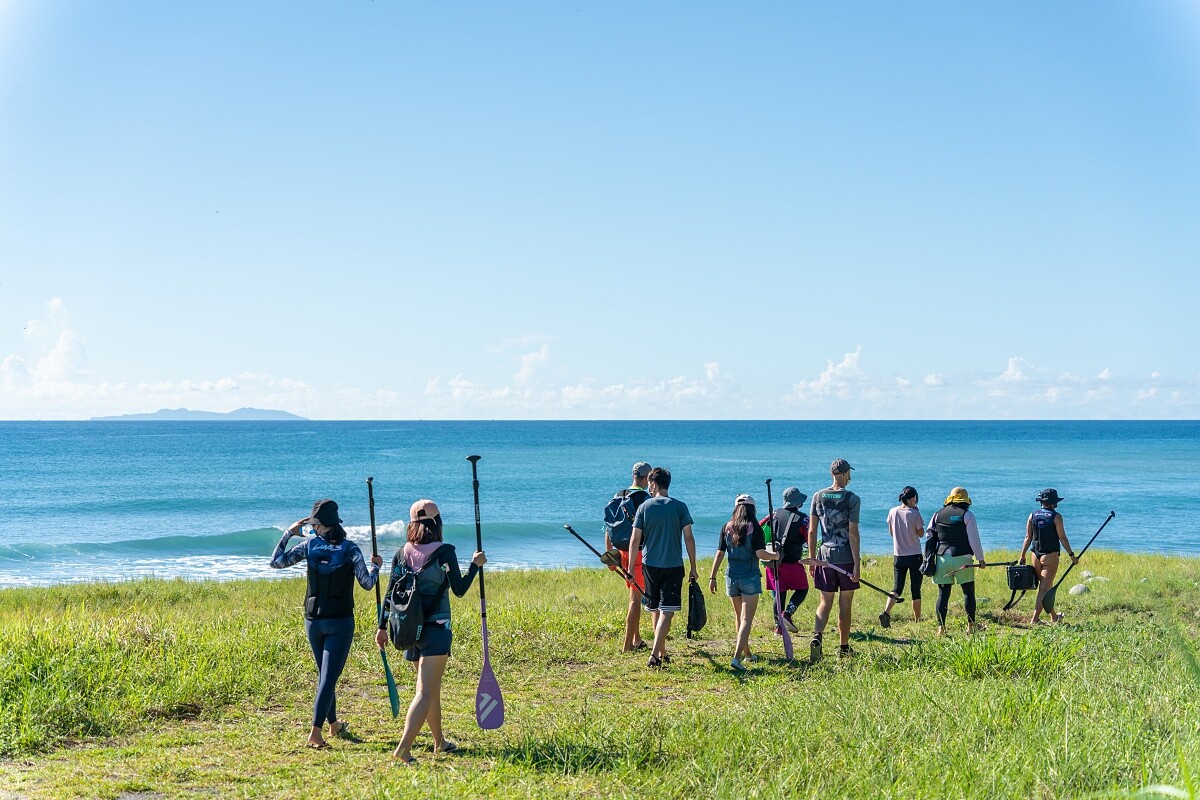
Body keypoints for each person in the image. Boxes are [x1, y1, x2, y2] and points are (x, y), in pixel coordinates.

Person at [375, 499, 486, 765]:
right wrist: (475, 565)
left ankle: (439, 743)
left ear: (412, 524)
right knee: (425, 692)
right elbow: (458, 589)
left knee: (430, 690)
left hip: (408, 630)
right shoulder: (445, 551)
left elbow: (390, 592)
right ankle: (403, 749)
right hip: (436, 630)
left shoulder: (402, 552)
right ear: (437, 523)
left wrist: (381, 627)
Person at [270, 499, 382, 749]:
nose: (311, 530)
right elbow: (367, 583)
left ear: (321, 526)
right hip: (340, 622)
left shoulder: (308, 546)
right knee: (328, 678)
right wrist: (376, 567)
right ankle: (315, 732)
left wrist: (289, 532)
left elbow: (275, 562)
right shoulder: (350, 549)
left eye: (312, 525)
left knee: (325, 675)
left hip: (313, 621)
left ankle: (333, 724)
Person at [628, 467, 698, 668]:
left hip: (650, 565)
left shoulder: (644, 507)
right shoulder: (680, 507)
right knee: (666, 610)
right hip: (673, 565)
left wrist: (632, 567)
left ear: (654, 484)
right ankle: (655, 653)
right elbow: (689, 538)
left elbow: (635, 540)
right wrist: (693, 566)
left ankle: (661, 650)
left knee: (654, 608)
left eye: (650, 484)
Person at [708, 494, 777, 671]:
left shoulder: (727, 527)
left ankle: (747, 654)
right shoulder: (755, 528)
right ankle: (736, 658)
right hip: (750, 577)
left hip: (731, 577)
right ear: (752, 509)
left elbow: (719, 553)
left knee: (739, 617)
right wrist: (775, 556)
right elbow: (761, 554)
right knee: (746, 619)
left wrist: (712, 577)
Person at [806, 459, 861, 662]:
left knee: (824, 601)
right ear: (845, 473)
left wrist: (812, 559)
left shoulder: (818, 496)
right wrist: (857, 563)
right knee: (845, 603)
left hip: (825, 556)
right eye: (849, 474)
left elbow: (812, 531)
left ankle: (817, 636)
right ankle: (843, 647)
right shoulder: (853, 499)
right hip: (845, 557)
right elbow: (853, 533)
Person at [605, 461, 653, 652]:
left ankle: (637, 640)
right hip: (639, 554)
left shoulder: (619, 495)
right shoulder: (644, 498)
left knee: (635, 595)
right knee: (636, 600)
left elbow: (609, 529)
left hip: (623, 553)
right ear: (647, 478)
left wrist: (610, 555)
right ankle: (627, 646)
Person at [929, 487, 987, 635]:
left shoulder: (937, 515)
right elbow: (974, 539)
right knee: (968, 593)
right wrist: (980, 559)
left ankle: (941, 629)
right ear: (966, 501)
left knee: (943, 595)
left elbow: (930, 536)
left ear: (950, 500)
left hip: (942, 558)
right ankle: (970, 627)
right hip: (963, 558)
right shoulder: (967, 515)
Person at [1018, 488, 1078, 625]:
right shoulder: (1056, 517)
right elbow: (1062, 537)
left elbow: (1028, 537)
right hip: (1049, 556)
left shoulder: (1032, 515)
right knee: (1044, 589)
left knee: (1047, 587)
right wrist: (1072, 555)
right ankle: (1034, 619)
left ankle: (1054, 617)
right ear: (1054, 502)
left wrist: (1022, 554)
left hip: (1035, 555)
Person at [760, 487, 810, 634]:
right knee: (802, 589)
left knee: (779, 593)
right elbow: (808, 539)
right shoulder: (803, 519)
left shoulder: (773, 514)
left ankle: (778, 627)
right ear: (798, 503)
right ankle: (787, 614)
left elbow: (758, 527)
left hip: (773, 561)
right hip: (792, 562)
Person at [880, 486, 925, 628]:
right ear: (913, 499)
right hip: (915, 555)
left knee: (897, 587)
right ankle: (917, 620)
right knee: (915, 588)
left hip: (898, 555)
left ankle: (886, 612)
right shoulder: (914, 513)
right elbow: (921, 533)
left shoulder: (892, 511)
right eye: (915, 499)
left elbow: (891, 533)